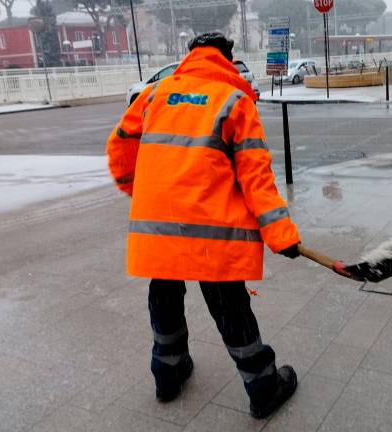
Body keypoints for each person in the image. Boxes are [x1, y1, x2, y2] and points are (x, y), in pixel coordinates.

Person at [105, 32, 301, 419]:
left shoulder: (153, 95)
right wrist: (282, 236)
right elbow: (256, 179)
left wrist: (138, 192)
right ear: (229, 59)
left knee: (163, 296)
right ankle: (263, 386)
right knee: (230, 308)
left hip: (158, 228)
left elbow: (119, 147)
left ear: (190, 56)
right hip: (214, 233)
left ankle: (168, 374)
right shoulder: (235, 102)